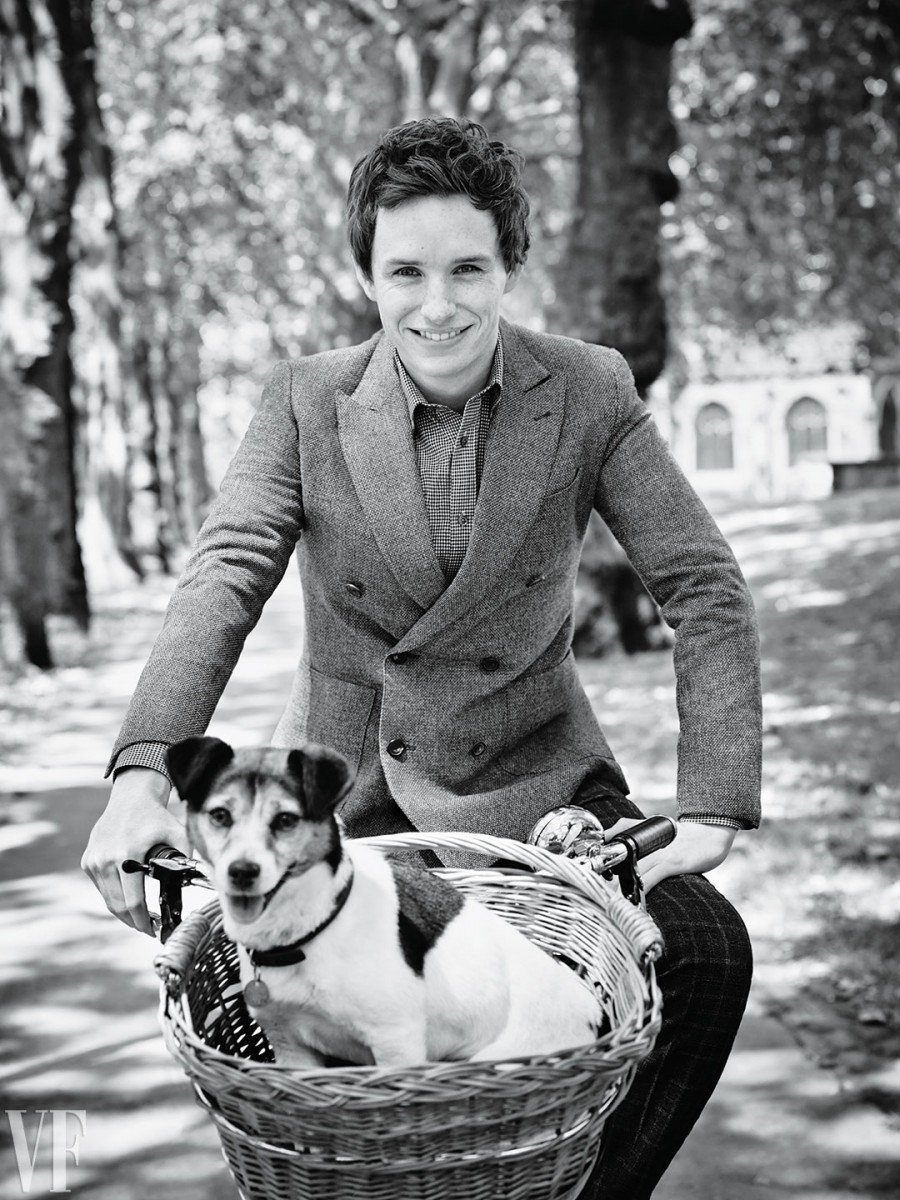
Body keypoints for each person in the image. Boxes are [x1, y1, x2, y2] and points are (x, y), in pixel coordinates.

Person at [82, 116, 761, 1199]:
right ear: (367, 273)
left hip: (540, 789)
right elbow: (223, 576)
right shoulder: (306, 401)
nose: (436, 304)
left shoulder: (586, 390)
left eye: (467, 268)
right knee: (324, 1050)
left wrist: (715, 802)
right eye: (405, 270)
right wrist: (139, 773)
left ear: (510, 266)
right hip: (346, 807)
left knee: (706, 952)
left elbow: (704, 588)